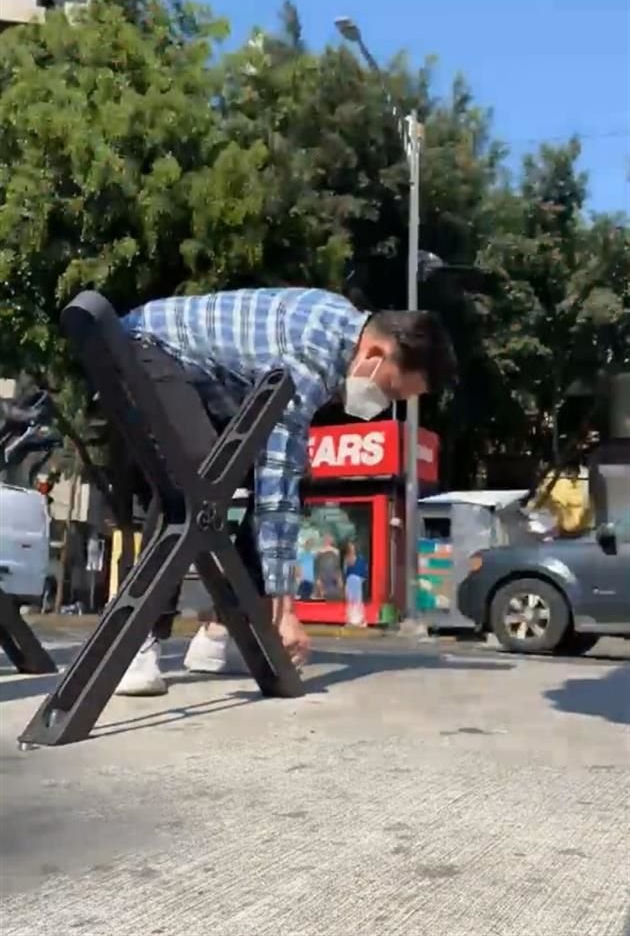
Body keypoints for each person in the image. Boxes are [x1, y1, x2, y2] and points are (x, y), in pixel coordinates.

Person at [114, 287, 457, 696]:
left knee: (266, 475)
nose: (383, 403)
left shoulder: (337, 340)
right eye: (392, 391)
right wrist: (285, 608)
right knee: (197, 474)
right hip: (145, 344)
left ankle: (220, 633)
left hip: (203, 383)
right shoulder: (312, 355)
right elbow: (276, 485)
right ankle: (135, 644)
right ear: (377, 355)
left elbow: (279, 477)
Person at [343, 540, 368, 626]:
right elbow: (345, 572)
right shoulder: (347, 558)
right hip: (350, 580)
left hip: (356, 580)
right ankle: (351, 620)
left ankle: (360, 620)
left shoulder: (360, 558)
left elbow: (364, 571)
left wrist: (361, 579)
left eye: (352, 547)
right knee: (351, 601)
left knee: (357, 601)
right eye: (349, 547)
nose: (351, 548)